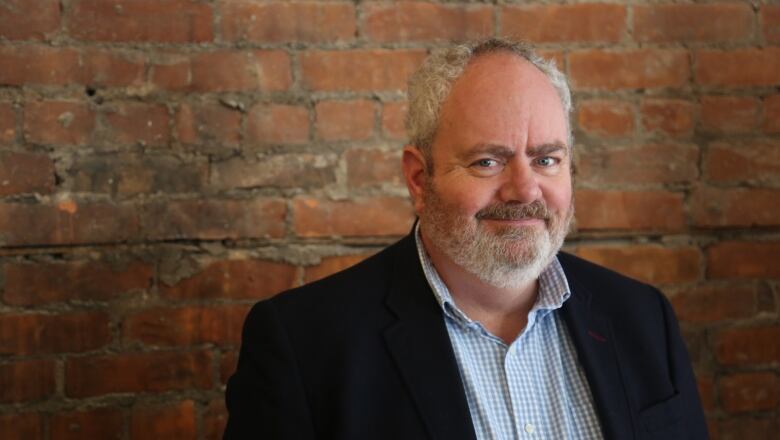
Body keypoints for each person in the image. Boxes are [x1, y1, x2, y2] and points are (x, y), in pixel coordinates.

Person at [224, 38, 708, 440]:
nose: (524, 191)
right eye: (487, 162)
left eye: (546, 160)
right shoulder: (305, 344)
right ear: (419, 178)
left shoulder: (643, 319)